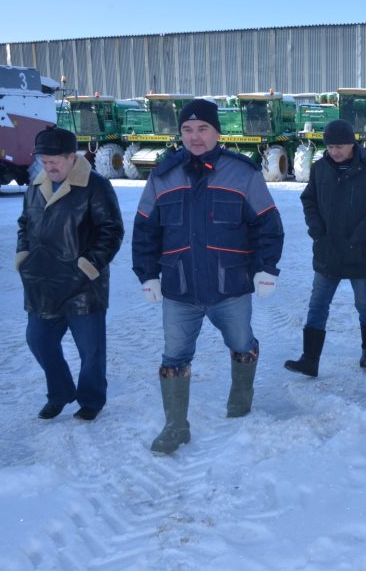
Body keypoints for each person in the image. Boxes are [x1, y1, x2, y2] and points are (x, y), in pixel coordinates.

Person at [132, 99, 284, 455]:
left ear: (217, 132)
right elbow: (144, 231)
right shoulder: (161, 176)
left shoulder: (243, 173)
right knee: (174, 357)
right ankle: (175, 426)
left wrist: (266, 268)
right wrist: (148, 274)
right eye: (187, 129)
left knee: (242, 343)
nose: (195, 137)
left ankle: (240, 401)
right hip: (179, 287)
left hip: (229, 285)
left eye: (203, 129)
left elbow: (268, 225)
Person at [17, 127, 124, 422]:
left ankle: (91, 400)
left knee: (90, 351)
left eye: (55, 161)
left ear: (72, 157)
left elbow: (111, 231)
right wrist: (22, 256)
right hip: (42, 283)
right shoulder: (35, 187)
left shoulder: (96, 186)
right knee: (38, 340)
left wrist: (89, 265)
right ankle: (61, 391)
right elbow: (24, 224)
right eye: (43, 161)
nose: (48, 167)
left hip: (82, 286)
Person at [285, 119, 366, 377]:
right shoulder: (320, 168)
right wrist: (316, 230)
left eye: (340, 147)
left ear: (352, 144)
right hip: (328, 250)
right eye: (331, 146)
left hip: (360, 250)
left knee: (364, 302)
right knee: (317, 305)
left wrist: (361, 235)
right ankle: (309, 359)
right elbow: (309, 200)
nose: (335, 152)